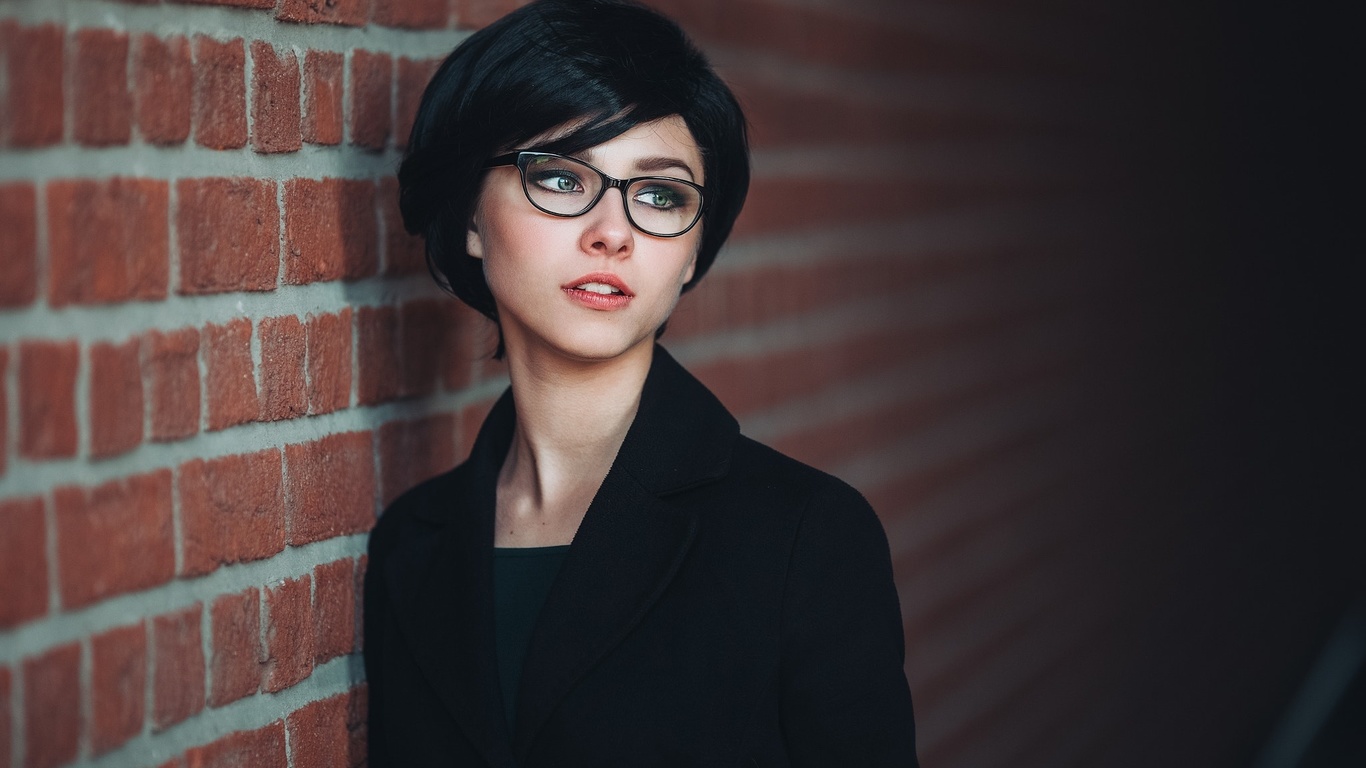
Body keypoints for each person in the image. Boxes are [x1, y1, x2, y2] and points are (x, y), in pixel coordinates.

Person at [363, 1, 918, 764]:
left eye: (661, 196)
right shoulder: (413, 547)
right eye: (560, 177)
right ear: (468, 217)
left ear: (691, 253)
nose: (613, 232)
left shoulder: (803, 538)